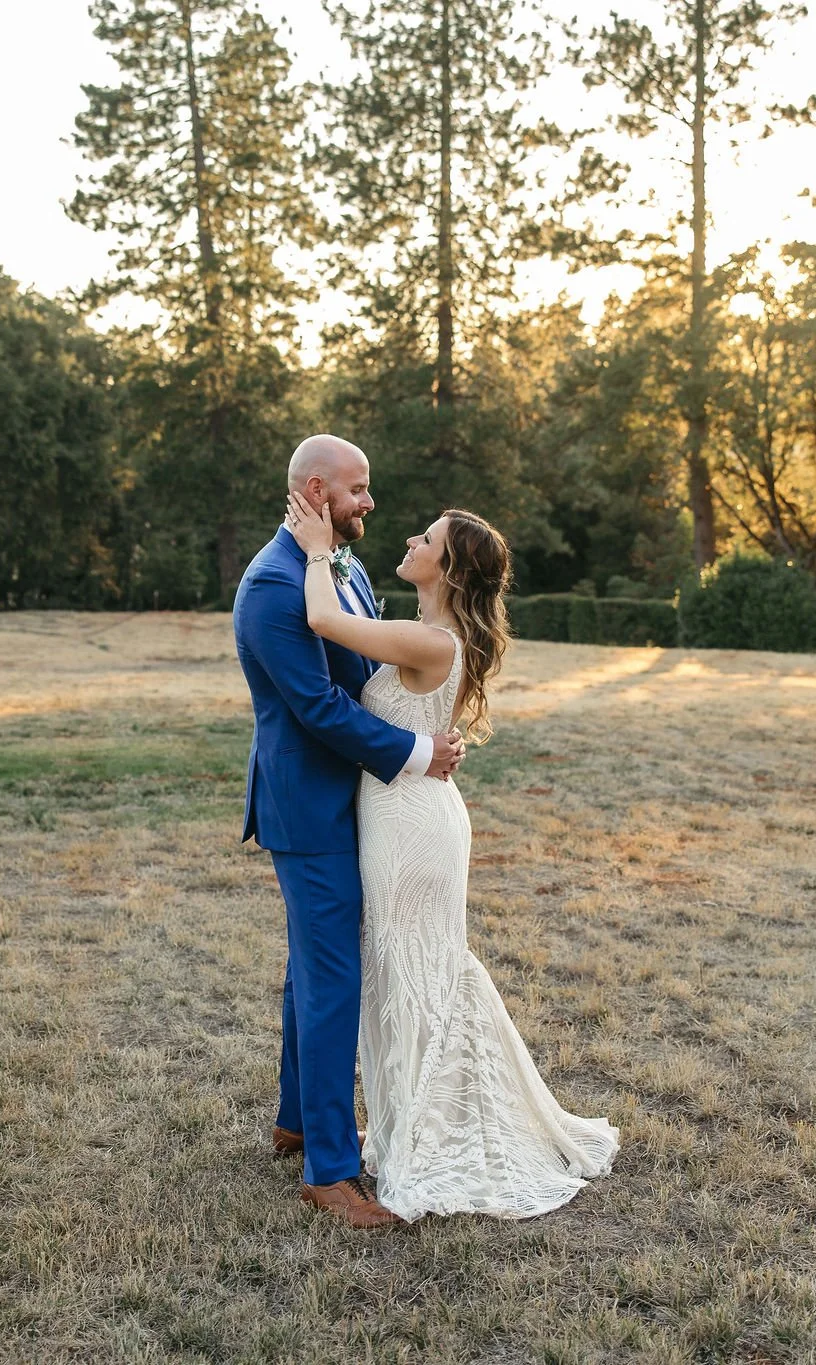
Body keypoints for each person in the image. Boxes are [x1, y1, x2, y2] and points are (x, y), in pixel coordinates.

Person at [280, 486, 620, 1222]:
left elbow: (319, 619)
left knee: (414, 977)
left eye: (426, 539)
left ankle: (434, 1133)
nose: (411, 541)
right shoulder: (427, 635)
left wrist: (314, 553)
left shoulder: (434, 643)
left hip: (410, 828)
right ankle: (414, 1124)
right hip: (409, 814)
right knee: (410, 976)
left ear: (450, 569)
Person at [232, 434, 465, 1230]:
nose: (370, 502)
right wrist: (416, 751)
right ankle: (331, 1171)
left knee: (313, 972)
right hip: (310, 807)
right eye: (359, 489)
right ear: (319, 487)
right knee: (333, 981)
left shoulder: (340, 563)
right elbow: (320, 710)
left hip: (350, 803)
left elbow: (366, 675)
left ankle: (297, 1120)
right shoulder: (271, 585)